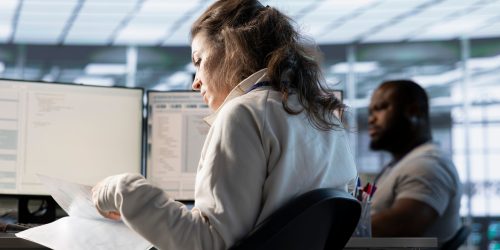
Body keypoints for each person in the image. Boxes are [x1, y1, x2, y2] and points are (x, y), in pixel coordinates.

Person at [91, 0, 357, 249]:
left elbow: (208, 242)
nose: (195, 82)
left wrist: (122, 191)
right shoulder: (320, 115)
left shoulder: (244, 113)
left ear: (231, 50)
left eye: (199, 61)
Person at [368, 80, 462, 243]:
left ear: (413, 112)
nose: (371, 119)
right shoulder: (402, 164)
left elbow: (402, 225)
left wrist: (334, 225)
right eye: (370, 112)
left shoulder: (427, 165)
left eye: (381, 108)